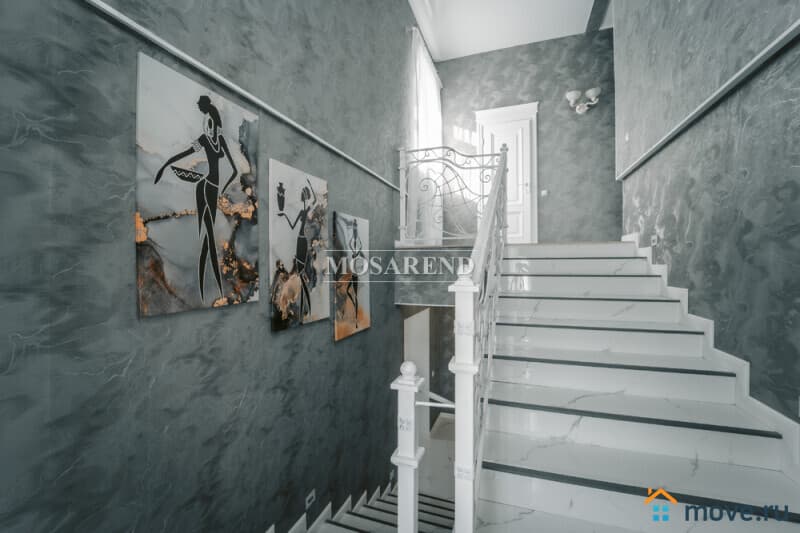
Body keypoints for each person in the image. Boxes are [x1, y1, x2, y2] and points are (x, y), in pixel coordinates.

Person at [154, 95, 238, 301]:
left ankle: (207, 286)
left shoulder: (212, 140)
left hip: (208, 186)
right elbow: (185, 154)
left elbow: (234, 170)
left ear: (212, 122)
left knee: (207, 236)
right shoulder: (211, 141)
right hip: (207, 185)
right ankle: (208, 286)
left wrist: (167, 164)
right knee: (206, 235)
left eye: (208, 121)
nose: (207, 125)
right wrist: (166, 164)